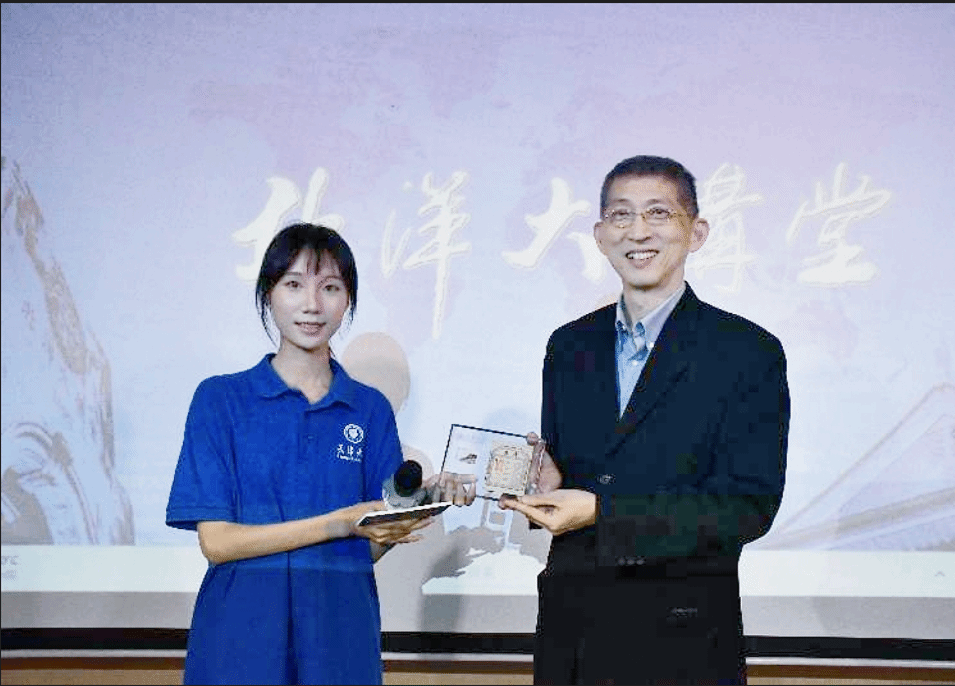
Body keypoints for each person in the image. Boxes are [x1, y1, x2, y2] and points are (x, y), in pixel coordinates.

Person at [499, 155, 790, 685]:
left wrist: (602, 512)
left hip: (684, 640)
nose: (638, 231)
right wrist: (551, 485)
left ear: (696, 232)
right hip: (572, 635)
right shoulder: (568, 346)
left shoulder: (747, 352)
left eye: (658, 213)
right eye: (621, 215)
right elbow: (580, 477)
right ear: (600, 235)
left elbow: (748, 507)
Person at [165, 222, 470, 685]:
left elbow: (366, 548)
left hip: (339, 635)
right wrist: (340, 522)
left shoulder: (369, 409)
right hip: (239, 638)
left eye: (330, 287)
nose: (312, 304)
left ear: (348, 300)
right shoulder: (221, 400)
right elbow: (219, 543)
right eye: (294, 285)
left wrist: (421, 506)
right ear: (268, 294)